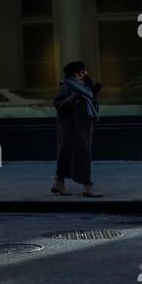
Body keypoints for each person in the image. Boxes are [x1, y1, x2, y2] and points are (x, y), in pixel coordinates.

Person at [52, 60, 101, 197]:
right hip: (70, 128)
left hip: (83, 127)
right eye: (82, 71)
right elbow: (59, 105)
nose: (85, 73)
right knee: (71, 156)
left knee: (78, 156)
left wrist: (94, 93)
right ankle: (87, 187)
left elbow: (91, 104)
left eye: (85, 71)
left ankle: (59, 183)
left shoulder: (86, 86)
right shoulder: (66, 87)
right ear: (75, 74)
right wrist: (73, 98)